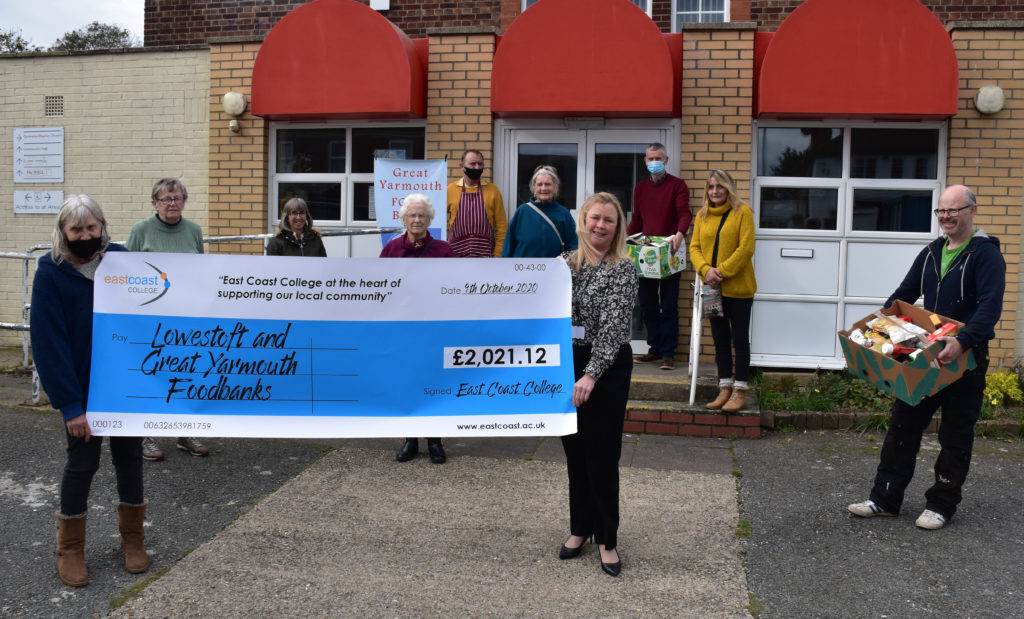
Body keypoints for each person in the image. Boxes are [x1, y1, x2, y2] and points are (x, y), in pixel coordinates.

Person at [848, 184, 1004, 530]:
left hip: (966, 358)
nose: (946, 217)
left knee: (955, 434)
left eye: (954, 210)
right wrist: (874, 328)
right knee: (903, 425)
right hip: (927, 357)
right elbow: (904, 294)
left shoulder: (986, 255)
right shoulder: (933, 251)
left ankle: (941, 505)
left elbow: (990, 307)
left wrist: (962, 342)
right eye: (941, 211)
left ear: (972, 211)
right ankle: (884, 498)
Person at [31, 194, 150, 587]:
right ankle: (70, 549)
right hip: (82, 390)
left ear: (102, 227)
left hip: (125, 385)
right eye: (76, 229)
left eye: (91, 227)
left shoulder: (122, 260)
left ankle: (133, 541)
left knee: (130, 458)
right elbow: (49, 343)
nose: (85, 235)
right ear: (63, 232)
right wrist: (69, 405)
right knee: (82, 465)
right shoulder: (51, 270)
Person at [557, 192, 638, 578]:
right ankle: (580, 528)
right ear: (583, 221)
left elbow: (613, 328)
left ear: (617, 226)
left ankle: (607, 538)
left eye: (609, 220)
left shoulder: (623, 269)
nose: (600, 226)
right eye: (594, 218)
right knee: (574, 452)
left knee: (602, 456)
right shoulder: (562, 265)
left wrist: (590, 374)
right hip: (565, 363)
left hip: (605, 369)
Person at [126, 177, 209, 460]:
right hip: (151, 315)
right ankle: (145, 434)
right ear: (154, 204)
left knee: (185, 371)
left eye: (177, 198)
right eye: (166, 199)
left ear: (184, 202)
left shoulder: (194, 231)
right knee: (151, 372)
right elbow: (129, 272)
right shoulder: (141, 230)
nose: (172, 203)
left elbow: (201, 270)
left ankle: (185, 431)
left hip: (185, 317)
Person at [380, 193, 455, 463]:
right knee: (407, 380)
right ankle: (411, 438)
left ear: (430, 219)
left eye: (422, 215)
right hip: (402, 329)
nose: (417, 220)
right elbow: (380, 287)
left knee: (434, 382)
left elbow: (453, 289)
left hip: (433, 328)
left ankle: (434, 439)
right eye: (412, 215)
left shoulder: (443, 250)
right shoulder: (391, 250)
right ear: (403, 218)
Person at [689, 169, 756, 413]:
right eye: (711, 187)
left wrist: (721, 271)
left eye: (720, 187)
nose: (715, 191)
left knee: (739, 338)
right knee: (719, 338)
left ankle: (740, 390)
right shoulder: (702, 215)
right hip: (711, 289)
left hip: (738, 289)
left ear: (729, 188)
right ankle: (724, 387)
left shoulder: (743, 213)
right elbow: (694, 248)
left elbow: (746, 248)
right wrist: (706, 270)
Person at [627, 142, 692, 370]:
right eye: (650, 158)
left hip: (669, 253)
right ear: (645, 161)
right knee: (647, 303)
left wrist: (679, 234)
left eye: (658, 158)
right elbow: (637, 220)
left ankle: (668, 352)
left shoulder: (678, 185)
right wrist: (624, 240)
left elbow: (685, 213)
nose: (654, 162)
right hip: (645, 254)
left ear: (665, 161)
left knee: (668, 304)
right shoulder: (641, 188)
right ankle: (654, 348)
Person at [501, 165, 578, 258]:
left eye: (548, 184)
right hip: (523, 271)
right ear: (534, 188)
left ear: (556, 188)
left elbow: (574, 248)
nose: (544, 188)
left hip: (553, 271)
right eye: (539, 184)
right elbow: (508, 246)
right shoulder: (522, 211)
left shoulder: (564, 214)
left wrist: (566, 257)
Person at [445, 149, 507, 257]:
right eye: (473, 164)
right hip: (455, 256)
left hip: (486, 256)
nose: (477, 167)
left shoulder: (493, 190)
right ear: (462, 166)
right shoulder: (450, 190)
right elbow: (436, 221)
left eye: (480, 164)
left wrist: (497, 254)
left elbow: (502, 227)